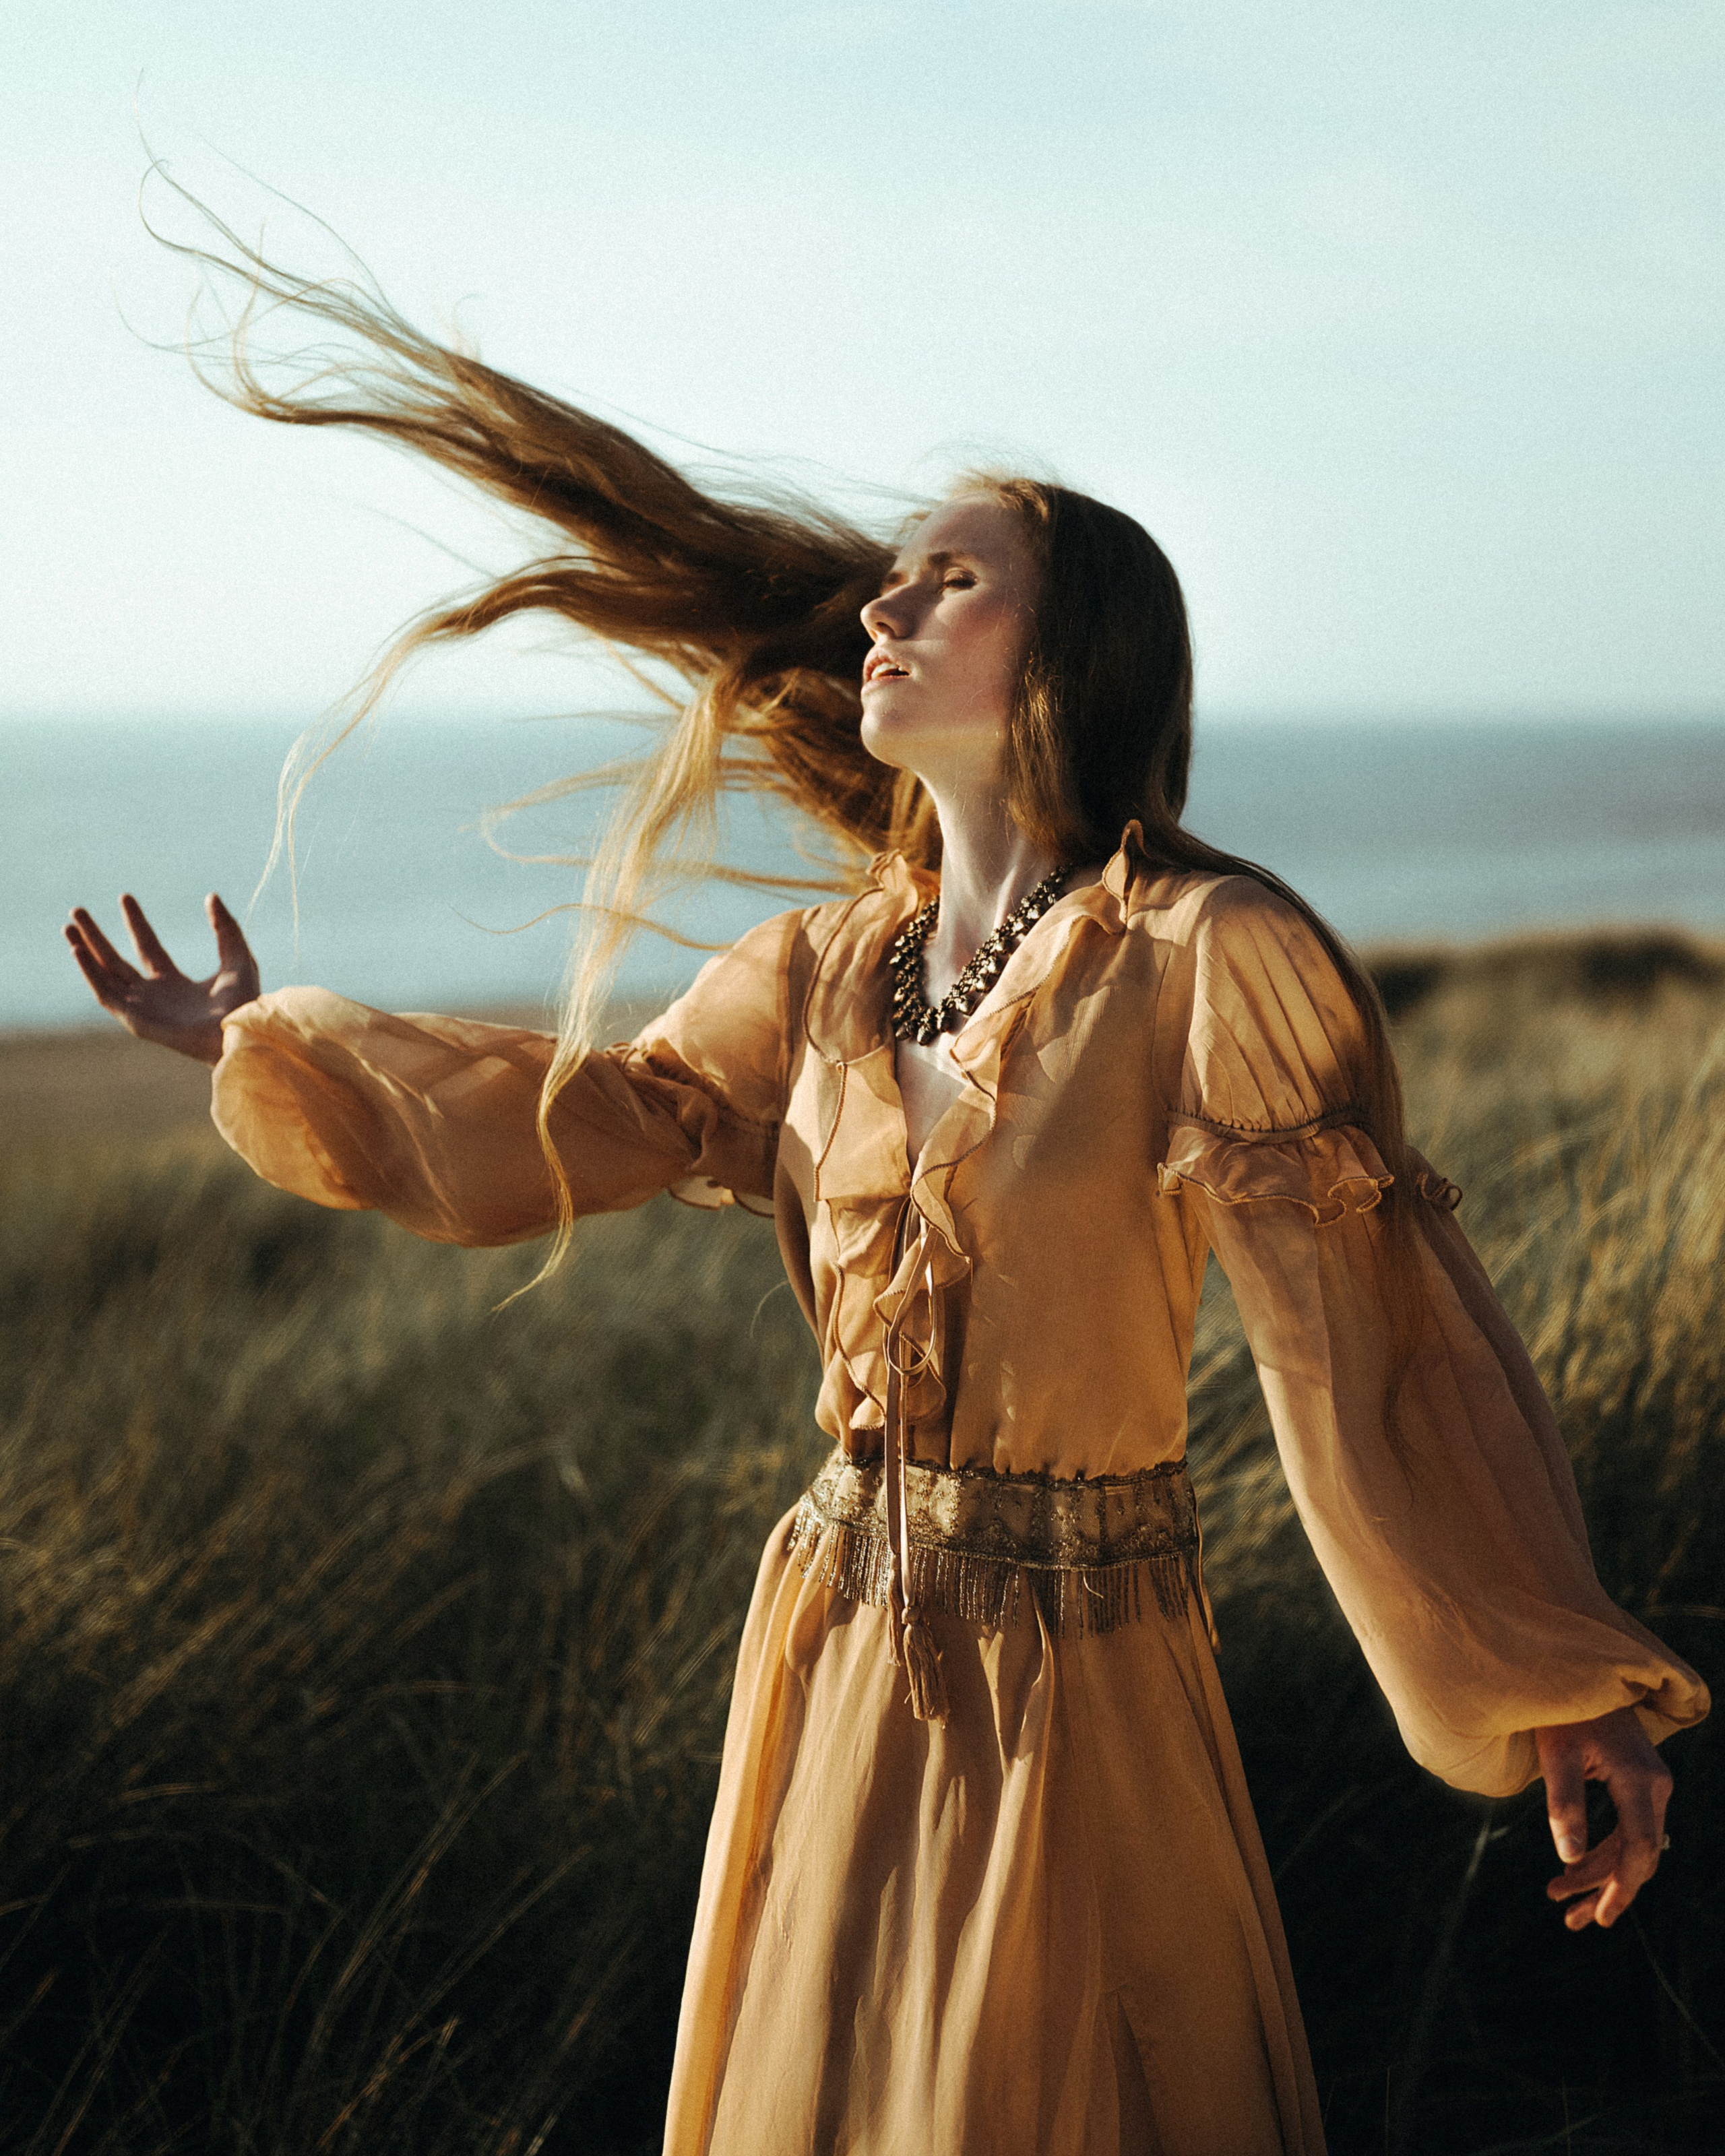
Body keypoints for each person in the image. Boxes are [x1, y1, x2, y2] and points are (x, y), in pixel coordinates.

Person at [67, 261, 1707, 2154]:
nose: (882, 605)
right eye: (893, 578)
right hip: (836, 1641)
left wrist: (1554, 1674)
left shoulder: (1206, 953)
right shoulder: (822, 970)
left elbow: (1372, 1345)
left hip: (1085, 1681)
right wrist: (263, 1042)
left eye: (950, 580)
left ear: (1069, 656)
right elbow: (570, 1124)